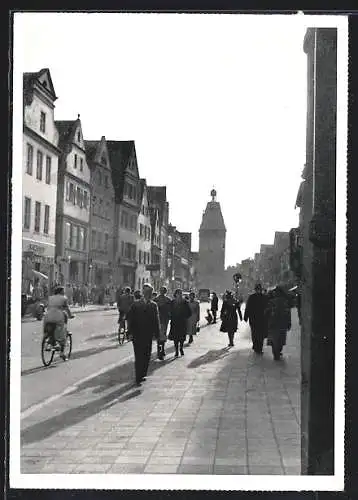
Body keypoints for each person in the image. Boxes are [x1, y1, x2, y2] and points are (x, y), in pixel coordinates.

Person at [127, 284, 160, 386]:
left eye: (149, 293)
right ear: (143, 293)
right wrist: (130, 333)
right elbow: (130, 320)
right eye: (146, 292)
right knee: (138, 356)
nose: (147, 294)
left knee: (146, 355)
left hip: (148, 334)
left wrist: (157, 334)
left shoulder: (153, 305)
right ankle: (138, 376)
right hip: (137, 334)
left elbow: (156, 320)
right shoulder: (135, 305)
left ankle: (143, 374)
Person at [43, 285, 74, 361]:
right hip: (58, 317)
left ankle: (50, 341)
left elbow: (47, 307)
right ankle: (62, 352)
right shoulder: (64, 298)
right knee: (63, 333)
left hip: (48, 317)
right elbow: (67, 308)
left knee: (50, 330)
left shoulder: (50, 298)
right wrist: (70, 315)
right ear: (61, 292)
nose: (64, 293)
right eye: (63, 292)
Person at [265, 286, 292, 360]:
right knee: (281, 338)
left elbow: (266, 312)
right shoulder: (285, 301)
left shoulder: (271, 301)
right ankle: (278, 351)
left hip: (273, 323)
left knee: (274, 339)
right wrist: (289, 322)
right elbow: (288, 313)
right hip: (283, 323)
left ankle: (275, 353)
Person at [244, 283, 268, 355]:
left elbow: (267, 308)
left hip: (260, 319)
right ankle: (256, 345)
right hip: (255, 319)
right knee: (255, 333)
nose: (258, 291)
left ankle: (259, 348)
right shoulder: (253, 297)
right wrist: (246, 316)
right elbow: (248, 308)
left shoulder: (263, 297)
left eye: (259, 290)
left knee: (260, 334)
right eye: (257, 290)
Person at [168, 289, 192, 357]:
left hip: (182, 322)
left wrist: (185, 316)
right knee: (175, 337)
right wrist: (170, 316)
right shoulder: (172, 302)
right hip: (175, 322)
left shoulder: (185, 302)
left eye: (180, 293)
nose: (179, 295)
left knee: (182, 337)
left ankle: (181, 348)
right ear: (175, 294)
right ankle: (176, 350)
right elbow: (170, 311)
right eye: (178, 293)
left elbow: (189, 312)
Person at [154, 286, 172, 360]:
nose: (162, 292)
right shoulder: (156, 300)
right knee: (160, 335)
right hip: (159, 319)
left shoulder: (167, 300)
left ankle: (161, 349)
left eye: (163, 291)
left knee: (162, 335)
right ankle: (160, 350)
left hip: (164, 319)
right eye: (161, 291)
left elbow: (170, 310)